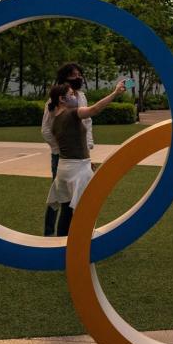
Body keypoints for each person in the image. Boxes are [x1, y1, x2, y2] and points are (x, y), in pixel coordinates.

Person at [43, 79, 126, 236]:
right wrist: (115, 93)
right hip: (77, 170)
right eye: (71, 94)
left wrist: (86, 162)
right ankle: (84, 249)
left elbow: (70, 144)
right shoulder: (72, 113)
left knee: (66, 212)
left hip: (64, 169)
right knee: (85, 212)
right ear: (62, 99)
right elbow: (94, 109)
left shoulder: (54, 121)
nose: (75, 97)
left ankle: (61, 246)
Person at [42, 63, 94, 179]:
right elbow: (46, 129)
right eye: (73, 75)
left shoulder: (81, 97)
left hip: (82, 156)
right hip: (62, 157)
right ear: (64, 78)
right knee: (62, 193)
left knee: (82, 190)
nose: (78, 78)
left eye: (79, 75)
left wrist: (88, 146)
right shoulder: (53, 101)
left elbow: (87, 122)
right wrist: (59, 149)